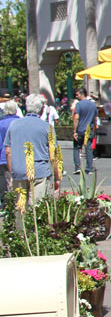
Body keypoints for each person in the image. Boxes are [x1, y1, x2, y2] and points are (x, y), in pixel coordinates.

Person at [3, 94, 60, 226]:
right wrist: (57, 176)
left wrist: (12, 173)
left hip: (19, 171)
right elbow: (54, 155)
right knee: (37, 207)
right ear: (41, 110)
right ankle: (37, 235)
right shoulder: (47, 127)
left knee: (21, 207)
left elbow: (8, 151)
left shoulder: (14, 125)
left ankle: (21, 236)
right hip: (39, 172)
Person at [72, 87, 98, 174]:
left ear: (82, 94)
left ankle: (78, 167)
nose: (76, 96)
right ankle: (89, 168)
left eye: (77, 94)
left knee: (77, 148)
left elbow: (76, 118)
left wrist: (74, 131)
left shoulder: (79, 105)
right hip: (89, 129)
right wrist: (94, 129)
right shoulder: (93, 105)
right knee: (89, 149)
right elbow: (95, 119)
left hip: (80, 130)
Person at [0, 99, 20, 195]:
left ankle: (7, 203)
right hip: (19, 156)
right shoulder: (20, 122)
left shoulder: (1, 124)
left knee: (5, 181)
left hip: (4, 156)